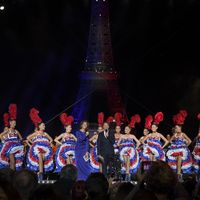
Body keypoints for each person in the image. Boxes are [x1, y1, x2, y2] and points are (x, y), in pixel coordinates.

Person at [27, 108, 54, 181]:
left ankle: (41, 174)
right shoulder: (36, 133)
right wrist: (33, 143)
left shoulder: (45, 133)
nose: (44, 126)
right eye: (43, 125)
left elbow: (51, 139)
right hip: (37, 147)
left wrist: (49, 142)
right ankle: (41, 175)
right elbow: (28, 138)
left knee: (42, 157)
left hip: (45, 148)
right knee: (39, 155)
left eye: (44, 125)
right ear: (39, 126)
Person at [0, 104, 24, 170]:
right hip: (10, 148)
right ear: (10, 123)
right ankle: (12, 175)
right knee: (12, 161)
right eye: (13, 123)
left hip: (16, 147)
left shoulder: (16, 131)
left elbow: (21, 138)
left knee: (16, 162)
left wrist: (21, 141)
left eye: (15, 123)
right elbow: (1, 135)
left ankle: (14, 174)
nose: (14, 124)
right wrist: (3, 142)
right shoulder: (8, 130)